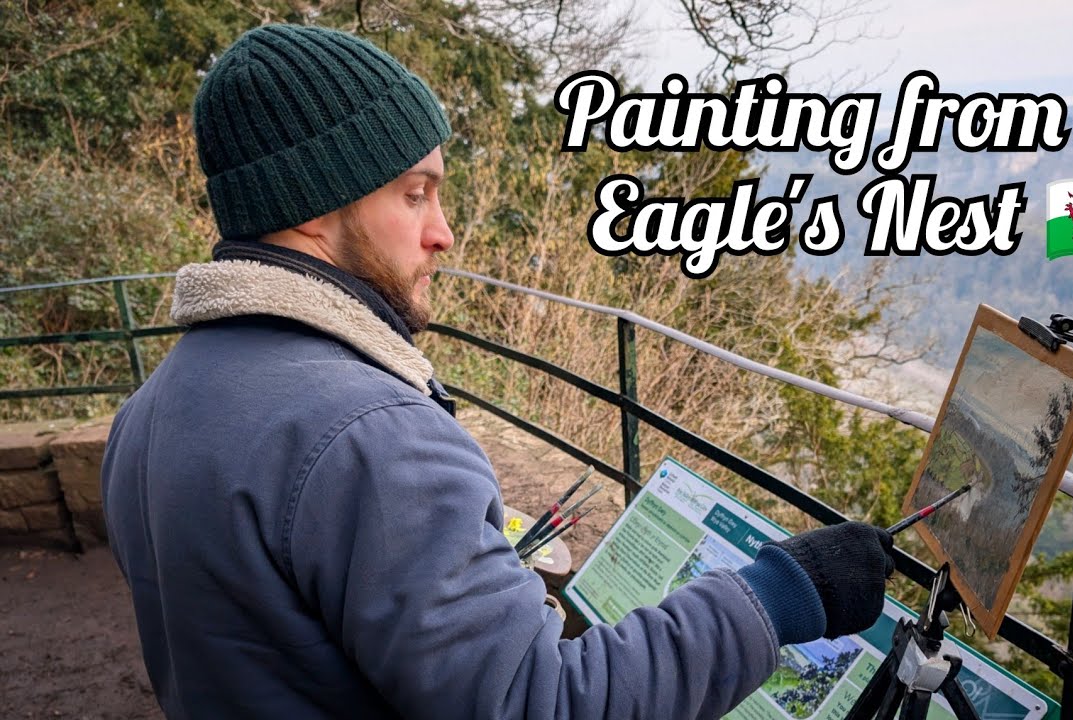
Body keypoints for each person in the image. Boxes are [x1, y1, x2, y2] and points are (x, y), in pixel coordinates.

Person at [100, 23, 896, 719]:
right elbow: (547, 702)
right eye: (416, 195)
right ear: (312, 204)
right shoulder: (374, 437)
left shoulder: (153, 406)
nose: (442, 233)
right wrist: (782, 592)